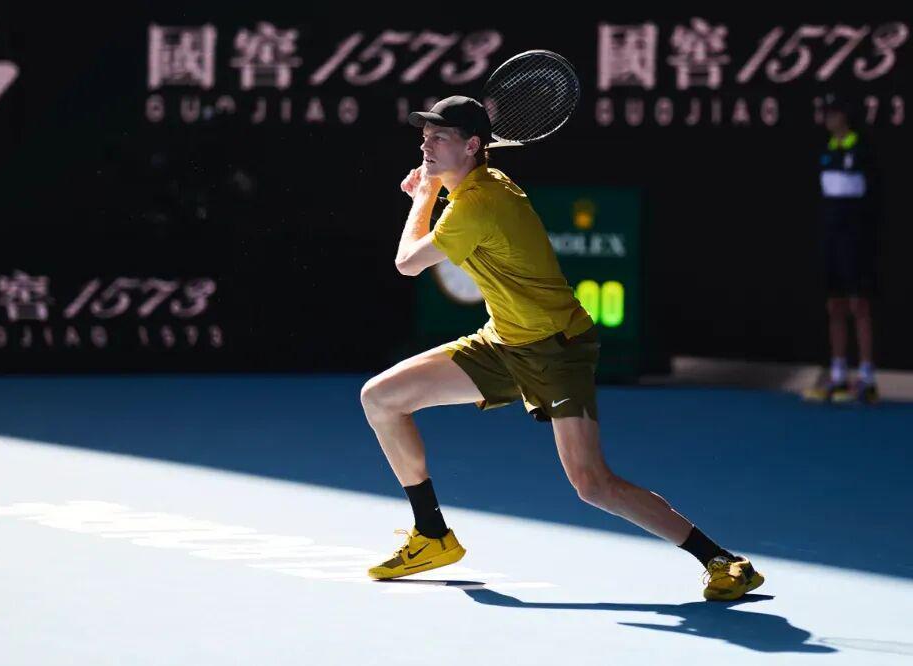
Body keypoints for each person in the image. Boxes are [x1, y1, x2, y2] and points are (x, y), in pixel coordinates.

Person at [359, 96, 764, 600]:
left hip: (557, 350)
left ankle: (722, 560)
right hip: (503, 341)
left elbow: (407, 263)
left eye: (439, 138)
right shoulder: (481, 184)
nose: (426, 146)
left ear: (472, 145)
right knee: (381, 398)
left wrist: (423, 192)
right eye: (425, 137)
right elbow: (451, 204)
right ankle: (432, 534)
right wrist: (436, 182)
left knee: (592, 484)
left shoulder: (479, 203)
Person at [806, 95, 880, 403]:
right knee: (833, 305)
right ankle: (838, 375)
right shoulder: (825, 149)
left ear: (845, 117)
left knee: (859, 304)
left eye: (832, 114)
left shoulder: (862, 148)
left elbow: (874, 195)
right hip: (831, 236)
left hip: (856, 237)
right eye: (825, 114)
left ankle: (867, 378)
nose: (828, 119)